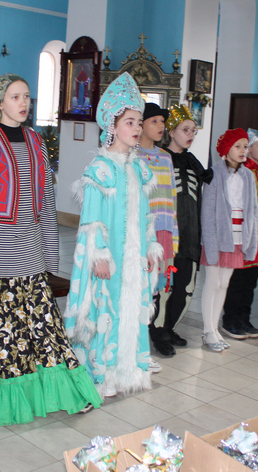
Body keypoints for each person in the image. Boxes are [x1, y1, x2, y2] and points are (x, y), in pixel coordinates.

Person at [0, 74, 101, 425]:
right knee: (3, 332)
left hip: (30, 250)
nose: (23, 103)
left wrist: (50, 251)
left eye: (26, 96)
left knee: (45, 326)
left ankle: (67, 392)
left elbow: (46, 200)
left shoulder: (36, 141)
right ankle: (7, 399)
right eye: (15, 96)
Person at [64, 72, 161, 398]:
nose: (136, 128)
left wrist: (150, 247)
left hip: (134, 258)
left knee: (132, 308)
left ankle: (127, 371)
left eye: (138, 123)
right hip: (111, 260)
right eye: (130, 122)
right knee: (106, 311)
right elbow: (91, 221)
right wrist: (100, 254)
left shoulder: (140, 168)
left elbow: (146, 215)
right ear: (112, 126)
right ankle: (101, 375)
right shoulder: (100, 170)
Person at [199, 128, 258, 351]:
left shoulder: (248, 176)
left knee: (225, 283)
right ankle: (208, 330)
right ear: (227, 148)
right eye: (238, 146)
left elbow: (252, 211)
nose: (243, 150)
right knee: (213, 282)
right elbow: (208, 212)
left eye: (245, 146)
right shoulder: (214, 174)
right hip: (218, 237)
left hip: (237, 237)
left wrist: (250, 240)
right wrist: (210, 242)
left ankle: (214, 328)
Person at [161, 106, 212, 348]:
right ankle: (158, 330)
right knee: (164, 286)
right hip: (168, 233)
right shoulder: (160, 158)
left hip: (191, 234)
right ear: (171, 132)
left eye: (193, 131)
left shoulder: (193, 162)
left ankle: (169, 327)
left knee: (185, 286)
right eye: (185, 130)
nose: (190, 134)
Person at [221, 129, 258, 340]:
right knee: (237, 280)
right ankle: (230, 320)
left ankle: (244, 318)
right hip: (241, 237)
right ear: (249, 149)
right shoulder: (240, 174)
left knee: (250, 282)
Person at [138, 103, 178, 360]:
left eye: (162, 122)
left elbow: (172, 197)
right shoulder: (133, 156)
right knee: (141, 286)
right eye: (154, 121)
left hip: (164, 232)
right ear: (140, 124)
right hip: (144, 233)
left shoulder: (165, 157)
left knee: (161, 287)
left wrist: (174, 235)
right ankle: (137, 338)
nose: (160, 126)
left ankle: (156, 333)